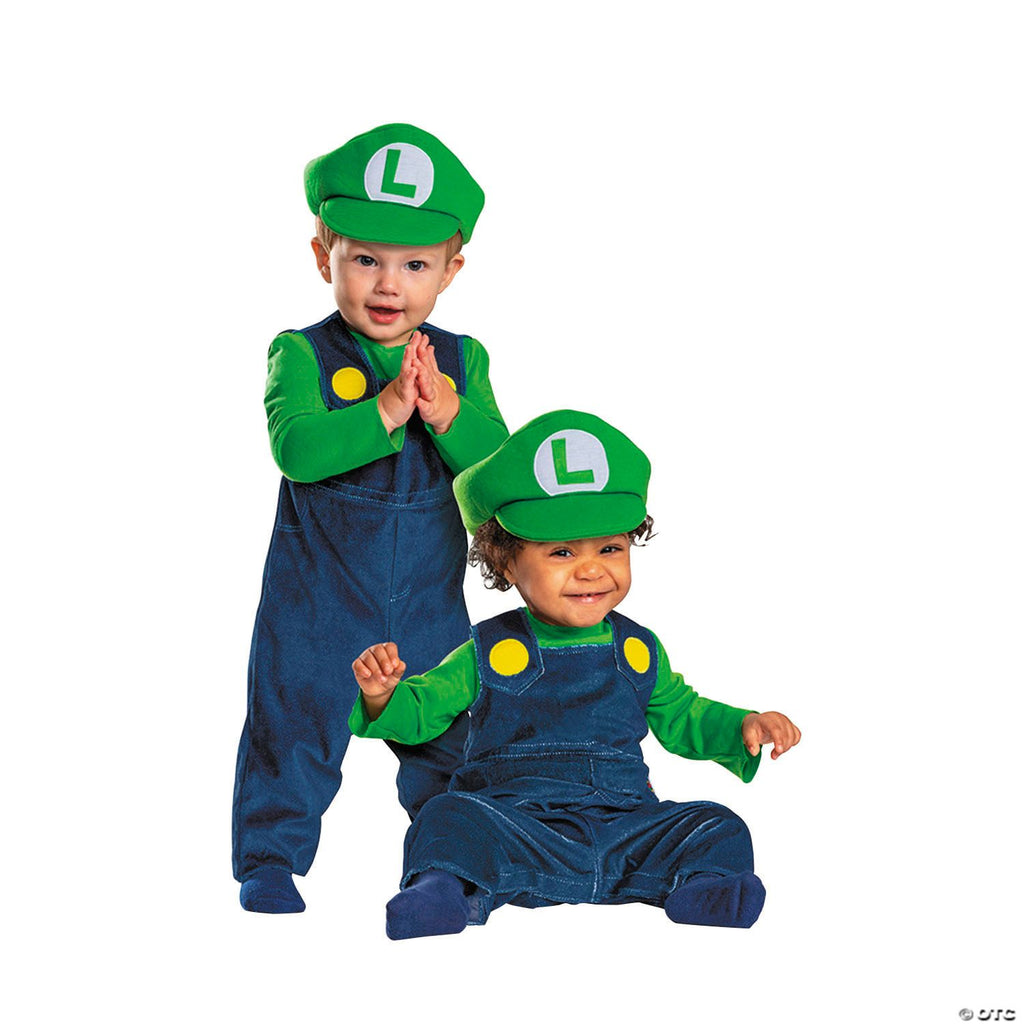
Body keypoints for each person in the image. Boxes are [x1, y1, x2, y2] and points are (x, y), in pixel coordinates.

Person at [350, 410, 800, 939]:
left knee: (716, 823)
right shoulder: (487, 650)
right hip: (517, 826)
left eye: (610, 548)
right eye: (562, 552)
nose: (591, 570)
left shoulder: (638, 649)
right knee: (446, 815)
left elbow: (684, 714)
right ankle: (441, 891)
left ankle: (704, 887)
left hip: (624, 827)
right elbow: (424, 708)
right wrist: (383, 696)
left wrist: (744, 724)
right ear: (505, 562)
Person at [232, 124, 508, 913]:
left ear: (451, 270)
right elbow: (297, 449)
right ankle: (269, 859)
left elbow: (496, 472)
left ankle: (449, 863)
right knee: (291, 727)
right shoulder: (300, 353)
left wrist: (446, 412)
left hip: (427, 607)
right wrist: (387, 409)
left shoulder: (463, 362)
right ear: (324, 255)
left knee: (451, 739)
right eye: (365, 260)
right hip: (316, 607)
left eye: (415, 265)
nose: (388, 285)